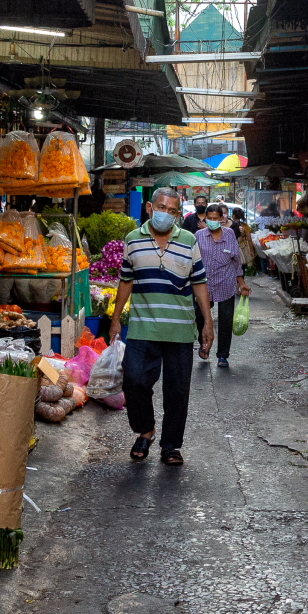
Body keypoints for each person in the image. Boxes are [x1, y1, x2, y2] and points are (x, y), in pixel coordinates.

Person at [109, 186, 212, 467]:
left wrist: (208, 324)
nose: (165, 214)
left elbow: (200, 283)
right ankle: (146, 430)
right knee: (134, 381)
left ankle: (171, 446)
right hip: (143, 327)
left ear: (178, 215)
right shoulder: (133, 240)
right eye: (161, 208)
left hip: (180, 328)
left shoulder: (189, 240)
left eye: (172, 210)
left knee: (177, 391)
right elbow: (126, 281)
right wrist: (116, 319)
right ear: (149, 208)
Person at [194, 201, 250, 368]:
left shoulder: (229, 234)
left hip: (226, 281)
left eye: (215, 218)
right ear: (205, 218)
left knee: (226, 319)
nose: (211, 220)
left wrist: (242, 283)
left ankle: (223, 355)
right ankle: (204, 344)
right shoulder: (199, 235)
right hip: (203, 284)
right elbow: (193, 260)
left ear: (221, 219)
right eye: (209, 218)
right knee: (200, 317)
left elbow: (236, 260)